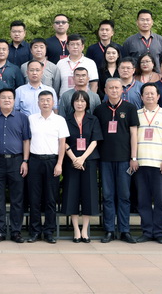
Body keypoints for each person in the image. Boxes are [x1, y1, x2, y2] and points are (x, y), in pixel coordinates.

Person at [94, 78, 139, 244]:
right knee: (107, 196)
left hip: (124, 159)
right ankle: (109, 230)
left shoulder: (130, 108)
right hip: (105, 159)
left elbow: (134, 134)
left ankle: (124, 230)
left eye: (117, 88)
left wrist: (134, 157)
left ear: (122, 90)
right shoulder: (99, 109)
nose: (114, 90)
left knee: (124, 195)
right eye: (111, 88)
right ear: (105, 90)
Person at [135, 83, 162, 244]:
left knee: (160, 200)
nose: (149, 96)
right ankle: (147, 231)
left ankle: (159, 232)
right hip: (140, 164)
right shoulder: (136, 114)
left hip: (160, 165)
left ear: (158, 96)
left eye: (152, 93)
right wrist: (134, 159)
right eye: (146, 93)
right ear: (141, 97)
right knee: (143, 200)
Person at [0, 88, 31, 243]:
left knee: (17, 198)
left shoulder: (22, 118)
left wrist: (25, 161)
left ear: (14, 101)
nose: (7, 100)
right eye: (3, 98)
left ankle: (16, 232)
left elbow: (26, 140)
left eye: (10, 98)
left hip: (17, 161)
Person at [26, 90, 69, 243]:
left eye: (48, 100)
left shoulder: (59, 120)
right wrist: (26, 161)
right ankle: (35, 231)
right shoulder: (31, 119)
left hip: (52, 161)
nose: (45, 102)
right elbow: (27, 141)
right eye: (42, 100)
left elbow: (62, 143)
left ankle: (49, 231)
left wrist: (59, 163)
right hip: (35, 161)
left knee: (51, 199)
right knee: (34, 198)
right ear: (38, 103)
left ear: (53, 102)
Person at [62, 91, 103, 243]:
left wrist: (82, 158)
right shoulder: (66, 120)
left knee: (88, 194)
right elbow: (63, 141)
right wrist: (74, 159)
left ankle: (85, 229)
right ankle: (76, 229)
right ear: (72, 103)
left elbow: (95, 141)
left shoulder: (93, 119)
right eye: (77, 101)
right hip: (71, 161)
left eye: (83, 101)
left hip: (89, 160)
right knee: (72, 193)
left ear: (87, 103)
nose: (80, 104)